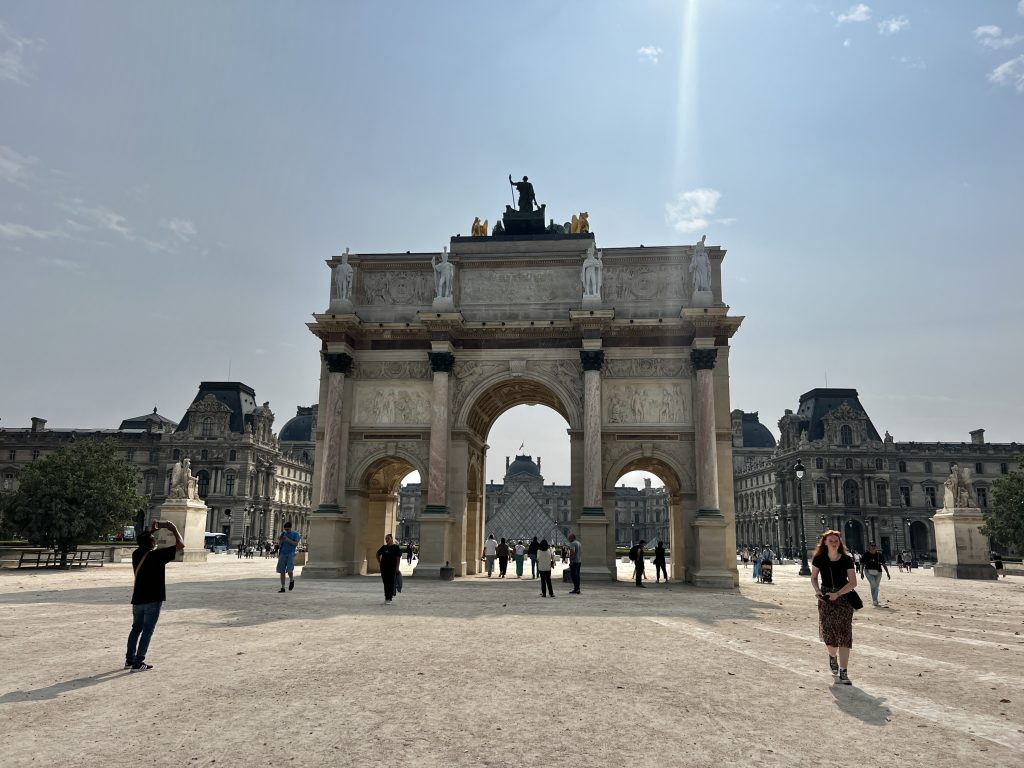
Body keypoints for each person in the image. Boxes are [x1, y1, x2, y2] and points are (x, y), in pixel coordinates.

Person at [125, 520, 184, 672]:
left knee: (135, 629)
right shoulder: (157, 556)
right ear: (151, 543)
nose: (156, 541)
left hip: (138, 598)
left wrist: (150, 532)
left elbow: (142, 541)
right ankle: (138, 663)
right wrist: (175, 529)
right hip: (153, 598)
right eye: (154, 540)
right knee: (147, 631)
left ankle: (129, 660)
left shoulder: (136, 554)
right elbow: (181, 545)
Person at [811, 530, 858, 685]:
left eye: (836, 540)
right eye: (830, 540)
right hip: (825, 598)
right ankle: (832, 656)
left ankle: (843, 671)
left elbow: (852, 582)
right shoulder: (819, 559)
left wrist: (837, 594)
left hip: (843, 597)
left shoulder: (847, 559)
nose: (834, 543)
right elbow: (814, 578)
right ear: (825, 543)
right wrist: (818, 591)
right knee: (829, 635)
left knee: (845, 634)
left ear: (840, 542)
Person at [860, 542, 890, 607]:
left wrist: (887, 573)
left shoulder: (880, 555)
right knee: (873, 584)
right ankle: (875, 600)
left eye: (874, 545)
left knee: (876, 586)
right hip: (868, 571)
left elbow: (884, 564)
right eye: (872, 545)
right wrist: (861, 573)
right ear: (869, 547)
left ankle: (875, 599)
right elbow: (862, 564)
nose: (873, 547)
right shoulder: (865, 555)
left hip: (878, 572)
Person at [376, 533, 402, 605]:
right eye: (386, 539)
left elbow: (398, 558)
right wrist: (379, 562)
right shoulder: (384, 547)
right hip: (384, 568)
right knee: (385, 583)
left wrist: (397, 567)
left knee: (391, 583)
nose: (386, 540)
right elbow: (377, 554)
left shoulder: (396, 547)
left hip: (392, 568)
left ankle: (389, 598)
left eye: (388, 538)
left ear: (391, 539)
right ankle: (386, 597)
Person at [276, 521, 301, 593]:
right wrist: (281, 540)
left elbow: (295, 544)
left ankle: (291, 580)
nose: (286, 531)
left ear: (290, 528)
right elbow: (280, 544)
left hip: (291, 553)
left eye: (287, 530)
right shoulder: (283, 534)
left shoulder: (295, 534)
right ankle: (283, 587)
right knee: (281, 570)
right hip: (283, 553)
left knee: (290, 570)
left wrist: (287, 539)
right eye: (285, 530)